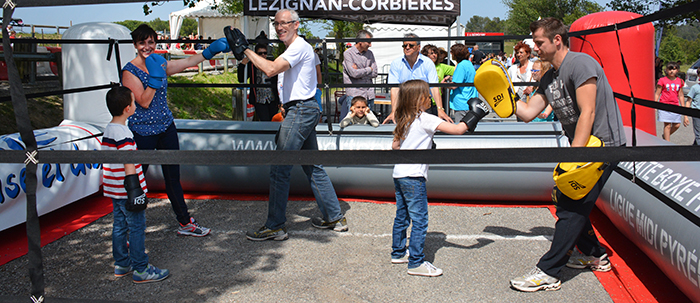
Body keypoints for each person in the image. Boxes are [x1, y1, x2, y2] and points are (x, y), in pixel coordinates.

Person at [508, 17, 626, 292]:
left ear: (556, 40)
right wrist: (502, 95)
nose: (535, 48)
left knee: (570, 207)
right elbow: (527, 113)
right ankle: (594, 255)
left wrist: (575, 157)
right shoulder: (550, 77)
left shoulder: (580, 64)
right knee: (570, 200)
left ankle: (549, 271)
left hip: (602, 146)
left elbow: (589, 112)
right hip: (584, 146)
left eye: (539, 42)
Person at [236, 9, 348, 241]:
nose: (279, 27)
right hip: (302, 109)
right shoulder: (296, 47)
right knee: (312, 165)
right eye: (276, 24)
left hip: (301, 110)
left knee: (279, 167)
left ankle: (275, 225)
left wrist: (245, 48)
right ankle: (335, 216)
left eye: (284, 23)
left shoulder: (298, 47)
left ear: (297, 25)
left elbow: (270, 69)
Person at [121, 24, 229, 236]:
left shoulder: (159, 63)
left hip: (166, 126)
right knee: (137, 179)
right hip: (143, 131)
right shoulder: (129, 71)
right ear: (135, 45)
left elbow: (187, 62)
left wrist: (209, 52)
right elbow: (143, 101)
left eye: (150, 42)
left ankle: (185, 222)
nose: (147, 46)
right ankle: (126, 227)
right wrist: (153, 78)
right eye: (142, 42)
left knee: (173, 178)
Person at [390, 79, 488, 277]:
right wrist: (475, 113)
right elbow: (458, 129)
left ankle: (398, 252)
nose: (430, 98)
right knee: (420, 220)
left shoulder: (403, 118)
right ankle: (416, 262)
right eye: (427, 95)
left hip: (399, 174)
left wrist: (421, 143)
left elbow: (395, 146)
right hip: (414, 176)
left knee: (402, 216)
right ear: (418, 99)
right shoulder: (425, 118)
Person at [102, 86, 169, 283]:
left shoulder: (109, 128)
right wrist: (135, 190)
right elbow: (128, 161)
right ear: (128, 109)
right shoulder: (123, 133)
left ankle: (122, 262)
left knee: (120, 226)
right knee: (137, 227)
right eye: (133, 102)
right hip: (127, 190)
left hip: (114, 189)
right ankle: (141, 268)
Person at [383, 33, 453, 124]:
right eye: (404, 45)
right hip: (404, 105)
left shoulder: (428, 63)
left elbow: (434, 87)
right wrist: (393, 111)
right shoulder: (396, 64)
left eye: (411, 45)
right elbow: (395, 88)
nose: (407, 47)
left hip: (424, 106)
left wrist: (440, 109)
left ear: (418, 47)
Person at [340, 30, 378, 120]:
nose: (370, 45)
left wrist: (360, 72)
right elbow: (354, 73)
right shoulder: (348, 53)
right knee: (352, 122)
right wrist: (368, 69)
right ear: (360, 42)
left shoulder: (370, 53)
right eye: (368, 42)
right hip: (355, 95)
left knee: (369, 121)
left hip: (369, 94)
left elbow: (375, 72)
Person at [238, 44, 280, 121]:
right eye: (260, 53)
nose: (263, 55)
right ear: (256, 55)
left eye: (265, 53)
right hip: (259, 100)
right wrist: (242, 65)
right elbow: (241, 79)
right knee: (265, 121)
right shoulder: (252, 66)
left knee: (274, 121)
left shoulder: (271, 64)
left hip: (272, 99)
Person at [446, 44, 479, 122]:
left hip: (462, 102)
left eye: (452, 52)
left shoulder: (461, 65)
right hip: (470, 99)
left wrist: (443, 85)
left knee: (461, 129)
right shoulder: (468, 63)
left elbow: (455, 85)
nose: (451, 54)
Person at [655, 61, 686, 141]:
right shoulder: (662, 80)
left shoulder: (680, 81)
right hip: (664, 104)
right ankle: (667, 144)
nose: (672, 71)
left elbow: (681, 95)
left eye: (674, 69)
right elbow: (657, 93)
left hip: (675, 105)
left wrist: (683, 107)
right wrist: (654, 104)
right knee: (667, 125)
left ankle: (665, 136)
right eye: (670, 69)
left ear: (677, 70)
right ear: (666, 70)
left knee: (677, 125)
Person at [687, 68, 700, 145]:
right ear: (698, 75)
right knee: (699, 133)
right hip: (696, 112)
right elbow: (688, 101)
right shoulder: (695, 88)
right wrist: (685, 116)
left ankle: (693, 149)